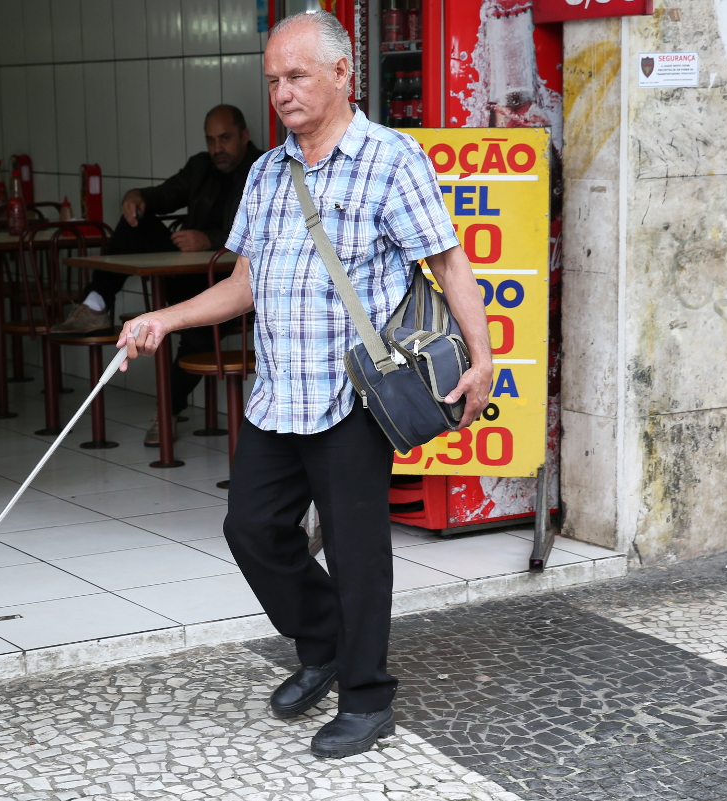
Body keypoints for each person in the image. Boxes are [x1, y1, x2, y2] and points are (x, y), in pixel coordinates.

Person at [114, 11, 493, 758]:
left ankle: (366, 695)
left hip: (355, 393)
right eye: (273, 81)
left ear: (343, 74)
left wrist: (482, 361)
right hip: (278, 391)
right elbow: (244, 284)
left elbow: (450, 265)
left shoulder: (390, 160)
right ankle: (322, 640)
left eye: (296, 76)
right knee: (250, 528)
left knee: (356, 548)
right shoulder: (265, 172)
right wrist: (165, 317)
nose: (282, 93)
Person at [52, 104, 262, 446]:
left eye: (224, 139)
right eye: (211, 141)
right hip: (188, 277)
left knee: (197, 337)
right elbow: (164, 195)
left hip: (233, 290)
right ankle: (95, 303)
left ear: (244, 136)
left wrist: (208, 239)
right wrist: (136, 198)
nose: (217, 149)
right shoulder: (200, 166)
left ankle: (167, 412)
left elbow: (263, 232)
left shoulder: (263, 169)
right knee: (136, 218)